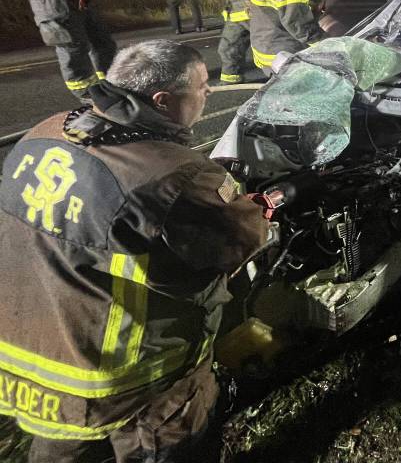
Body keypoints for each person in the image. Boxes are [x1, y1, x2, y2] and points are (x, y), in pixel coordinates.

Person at [0, 39, 268, 462]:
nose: (209, 93)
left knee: (60, 446)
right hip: (119, 371)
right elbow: (241, 242)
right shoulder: (176, 172)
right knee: (170, 439)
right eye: (201, 87)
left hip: (26, 349)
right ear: (163, 101)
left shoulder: (44, 131)